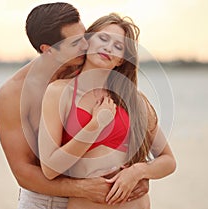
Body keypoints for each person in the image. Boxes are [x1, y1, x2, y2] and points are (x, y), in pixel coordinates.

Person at [0, 3, 149, 209]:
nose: (87, 45)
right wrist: (82, 188)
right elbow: (23, 172)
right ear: (48, 50)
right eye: (76, 42)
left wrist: (137, 174)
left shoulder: (91, 71)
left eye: (85, 35)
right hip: (45, 201)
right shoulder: (13, 94)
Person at [38, 13, 176, 209]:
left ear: (120, 60)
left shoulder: (133, 100)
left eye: (118, 46)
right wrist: (95, 126)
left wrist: (137, 171)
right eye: (103, 38)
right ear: (87, 42)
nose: (108, 47)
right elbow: (50, 168)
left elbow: (168, 160)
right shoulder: (59, 92)